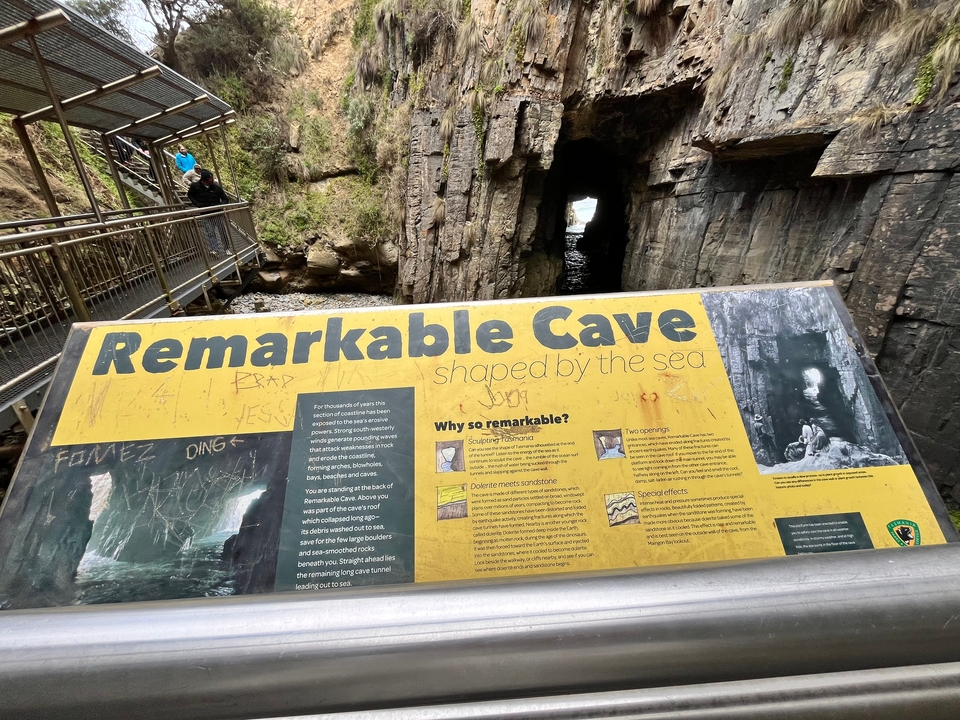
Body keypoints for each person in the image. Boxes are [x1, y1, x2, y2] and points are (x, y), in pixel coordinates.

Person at [188, 169, 230, 256]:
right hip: (205, 213)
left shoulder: (216, 188)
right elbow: (190, 195)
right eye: (210, 178)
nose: (212, 180)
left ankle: (227, 248)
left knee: (222, 231)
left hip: (217, 213)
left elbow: (225, 199)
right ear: (204, 180)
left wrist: (220, 205)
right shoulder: (195, 187)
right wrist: (196, 203)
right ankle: (215, 250)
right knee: (210, 232)